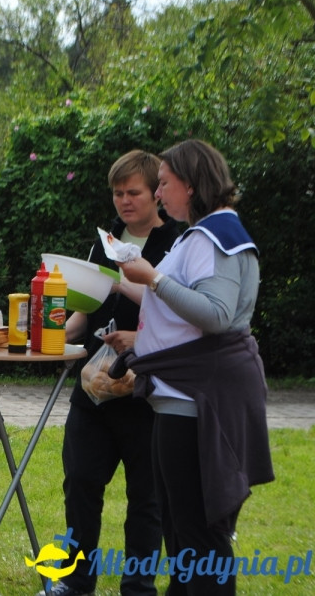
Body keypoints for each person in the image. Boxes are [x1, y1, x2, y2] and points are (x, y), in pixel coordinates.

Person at [112, 139, 274, 595]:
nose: (159, 194)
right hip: (182, 398)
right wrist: (125, 282)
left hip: (196, 401)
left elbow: (216, 314)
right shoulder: (208, 233)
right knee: (183, 532)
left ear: (191, 183)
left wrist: (155, 276)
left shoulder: (213, 237)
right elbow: (174, 305)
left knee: (199, 534)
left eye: (163, 184)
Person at [40, 150, 178, 596]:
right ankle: (76, 582)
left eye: (133, 192)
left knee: (147, 497)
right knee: (80, 482)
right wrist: (55, 333)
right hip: (94, 386)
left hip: (148, 389)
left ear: (156, 192)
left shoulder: (175, 243)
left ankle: (138, 587)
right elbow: (85, 312)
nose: (124, 201)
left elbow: (179, 311)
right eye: (118, 193)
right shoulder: (105, 242)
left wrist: (122, 282)